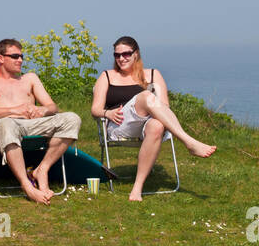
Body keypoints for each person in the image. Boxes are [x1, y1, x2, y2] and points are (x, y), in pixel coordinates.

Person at [91, 35, 216, 201]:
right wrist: (108, 113)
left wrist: (153, 114)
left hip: (147, 123)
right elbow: (95, 109)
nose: (121, 58)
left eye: (126, 54)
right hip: (119, 124)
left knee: (157, 125)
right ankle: (188, 142)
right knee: (146, 96)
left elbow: (164, 105)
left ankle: (137, 189)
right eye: (117, 55)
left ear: (136, 54)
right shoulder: (107, 76)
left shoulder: (151, 75)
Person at [0, 38, 82, 205]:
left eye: (21, 56)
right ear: (1, 58)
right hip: (4, 124)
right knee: (6, 124)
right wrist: (14, 110)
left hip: (33, 124)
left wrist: (43, 110)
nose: (20, 60)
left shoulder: (30, 78)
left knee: (72, 119)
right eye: (15, 56)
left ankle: (42, 170)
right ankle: (27, 185)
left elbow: (52, 106)